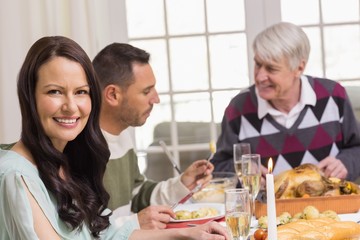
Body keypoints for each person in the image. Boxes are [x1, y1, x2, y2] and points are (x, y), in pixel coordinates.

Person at [0, 36, 229, 240]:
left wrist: (186, 233)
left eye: (81, 92)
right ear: (30, 97)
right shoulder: (16, 175)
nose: (71, 107)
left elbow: (108, 234)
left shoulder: (70, 160)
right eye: (55, 91)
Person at [211, 22, 360, 185]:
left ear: (299, 68)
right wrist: (241, 172)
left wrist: (346, 163)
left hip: (329, 208)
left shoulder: (333, 96)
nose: (260, 76)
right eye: (258, 64)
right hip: (266, 209)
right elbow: (218, 168)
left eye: (271, 69)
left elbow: (356, 149)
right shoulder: (238, 108)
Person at [92, 43, 216, 229]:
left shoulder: (123, 136)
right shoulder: (80, 149)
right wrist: (135, 223)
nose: (156, 99)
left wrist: (181, 184)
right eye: (146, 91)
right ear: (112, 95)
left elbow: (138, 195)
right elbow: (83, 231)